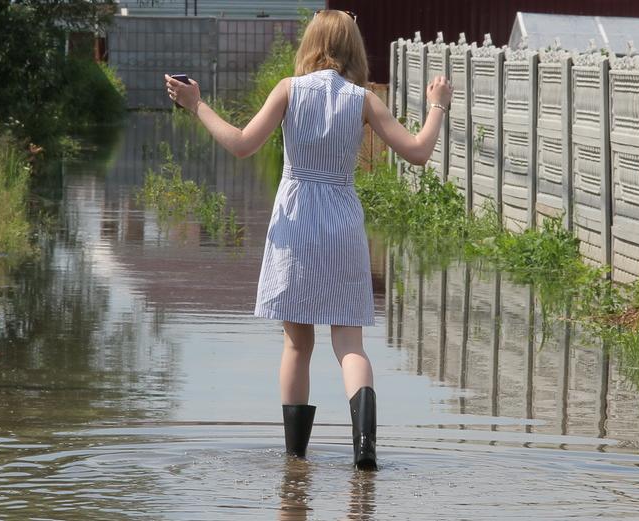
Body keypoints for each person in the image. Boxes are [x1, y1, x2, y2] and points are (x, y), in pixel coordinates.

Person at [165, 9, 451, 470]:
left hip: (296, 220)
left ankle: (296, 457)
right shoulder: (361, 100)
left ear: (311, 44)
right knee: (350, 345)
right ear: (352, 48)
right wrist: (438, 104)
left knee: (297, 345)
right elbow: (418, 153)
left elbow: (241, 144)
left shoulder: (288, 90)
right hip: (341, 220)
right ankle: (364, 449)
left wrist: (197, 103)